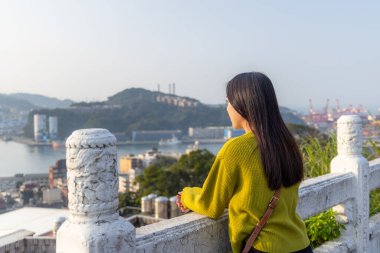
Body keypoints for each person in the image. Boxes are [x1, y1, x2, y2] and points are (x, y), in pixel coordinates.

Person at [176, 72, 312, 253]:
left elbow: (210, 205)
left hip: (265, 248)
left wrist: (186, 195)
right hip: (301, 244)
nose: (227, 109)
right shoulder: (287, 143)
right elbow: (255, 191)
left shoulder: (236, 149)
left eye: (228, 102)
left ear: (243, 104)